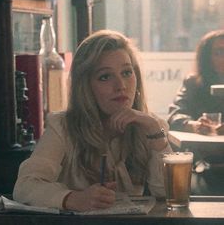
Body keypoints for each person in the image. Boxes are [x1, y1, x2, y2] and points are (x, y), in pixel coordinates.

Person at [13, 30, 171, 211]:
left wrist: (155, 132)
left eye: (127, 72)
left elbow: (168, 194)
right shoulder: (63, 127)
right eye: (105, 76)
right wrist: (73, 199)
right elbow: (25, 186)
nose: (121, 86)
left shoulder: (151, 126)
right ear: (85, 86)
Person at [168, 30, 224, 135]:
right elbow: (175, 116)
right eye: (219, 53)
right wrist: (195, 126)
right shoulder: (193, 83)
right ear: (207, 57)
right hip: (204, 148)